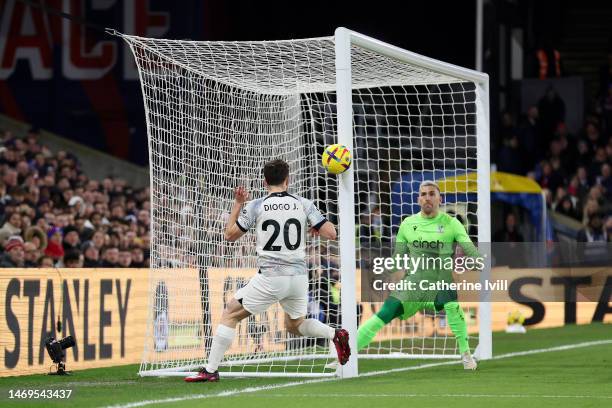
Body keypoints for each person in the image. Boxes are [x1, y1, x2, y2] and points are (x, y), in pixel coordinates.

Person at [185, 159, 350, 382]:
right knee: (295, 324)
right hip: (299, 277)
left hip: (272, 276)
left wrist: (237, 204)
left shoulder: (256, 205)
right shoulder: (303, 203)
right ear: (287, 180)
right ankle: (334, 333)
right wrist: (314, 225)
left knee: (230, 313)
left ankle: (211, 370)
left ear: (264, 182)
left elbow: (230, 235)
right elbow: (331, 233)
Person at [356, 181, 481, 370]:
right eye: (423, 194)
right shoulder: (408, 224)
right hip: (412, 286)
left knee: (452, 303)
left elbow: (469, 248)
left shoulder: (452, 223)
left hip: (440, 284)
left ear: (440, 199)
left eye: (432, 194)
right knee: (384, 313)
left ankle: (465, 355)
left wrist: (477, 260)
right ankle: (346, 354)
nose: (427, 198)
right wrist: (384, 268)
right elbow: (398, 259)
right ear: (418, 199)